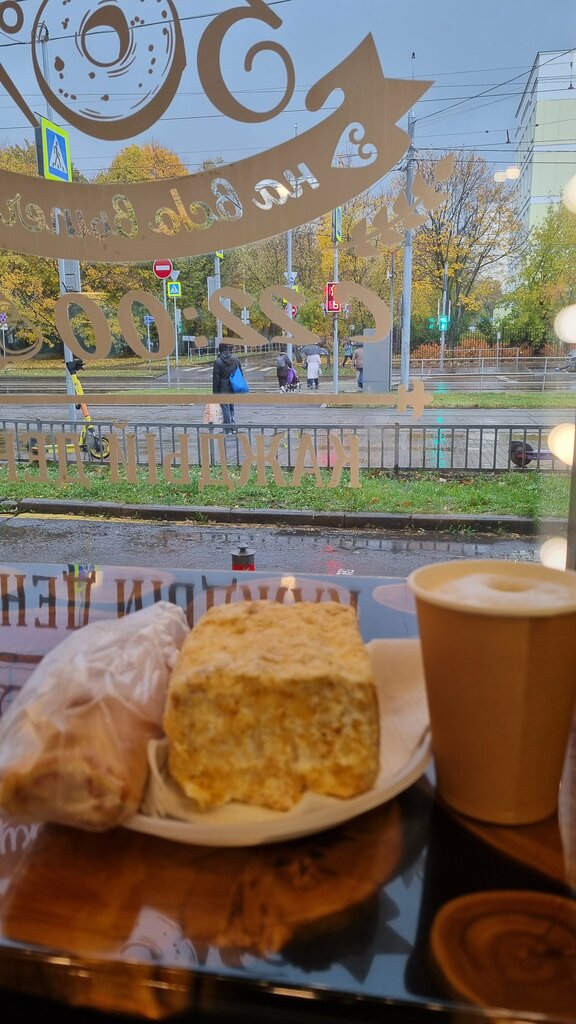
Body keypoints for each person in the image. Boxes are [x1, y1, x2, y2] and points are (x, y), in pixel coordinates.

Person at [212, 342, 241, 432]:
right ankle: (232, 427)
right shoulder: (235, 359)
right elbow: (240, 373)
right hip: (233, 387)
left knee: (225, 409)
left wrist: (215, 393)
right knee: (231, 407)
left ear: (220, 349)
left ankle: (228, 429)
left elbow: (216, 379)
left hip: (223, 389)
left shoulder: (218, 361)